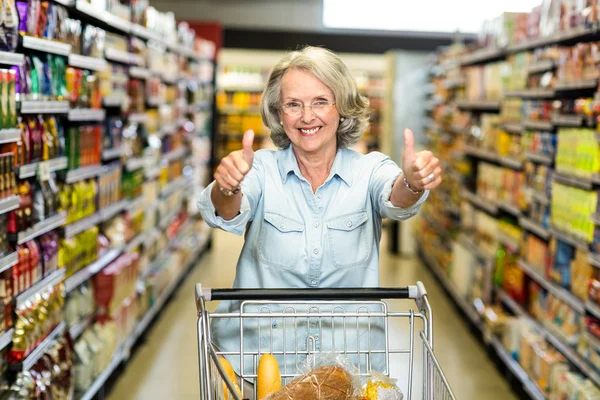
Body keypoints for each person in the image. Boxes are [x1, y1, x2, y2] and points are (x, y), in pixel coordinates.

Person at [197, 46, 441, 397]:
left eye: (320, 101)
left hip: (349, 373)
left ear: (341, 107)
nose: (306, 116)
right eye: (293, 104)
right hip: (260, 370)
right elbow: (227, 209)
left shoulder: (370, 169)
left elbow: (395, 197)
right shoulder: (262, 170)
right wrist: (227, 184)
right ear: (279, 114)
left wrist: (413, 182)